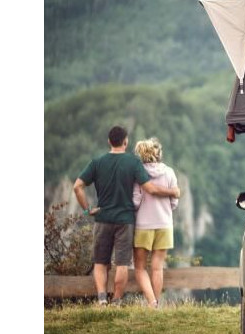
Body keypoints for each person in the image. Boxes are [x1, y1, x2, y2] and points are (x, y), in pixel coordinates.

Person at [73, 125, 180, 307]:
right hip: (127, 221)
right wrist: (173, 192)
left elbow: (77, 187)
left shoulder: (97, 162)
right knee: (123, 264)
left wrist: (87, 210)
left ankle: (102, 299)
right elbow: (151, 189)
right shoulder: (134, 163)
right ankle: (118, 300)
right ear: (126, 141)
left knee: (100, 262)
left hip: (104, 218)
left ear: (109, 141)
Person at [132, 137, 179, 306]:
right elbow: (174, 202)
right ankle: (156, 303)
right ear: (158, 153)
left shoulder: (139, 174)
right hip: (164, 225)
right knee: (158, 267)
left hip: (143, 226)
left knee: (140, 268)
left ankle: (151, 303)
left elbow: (135, 202)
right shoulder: (169, 172)